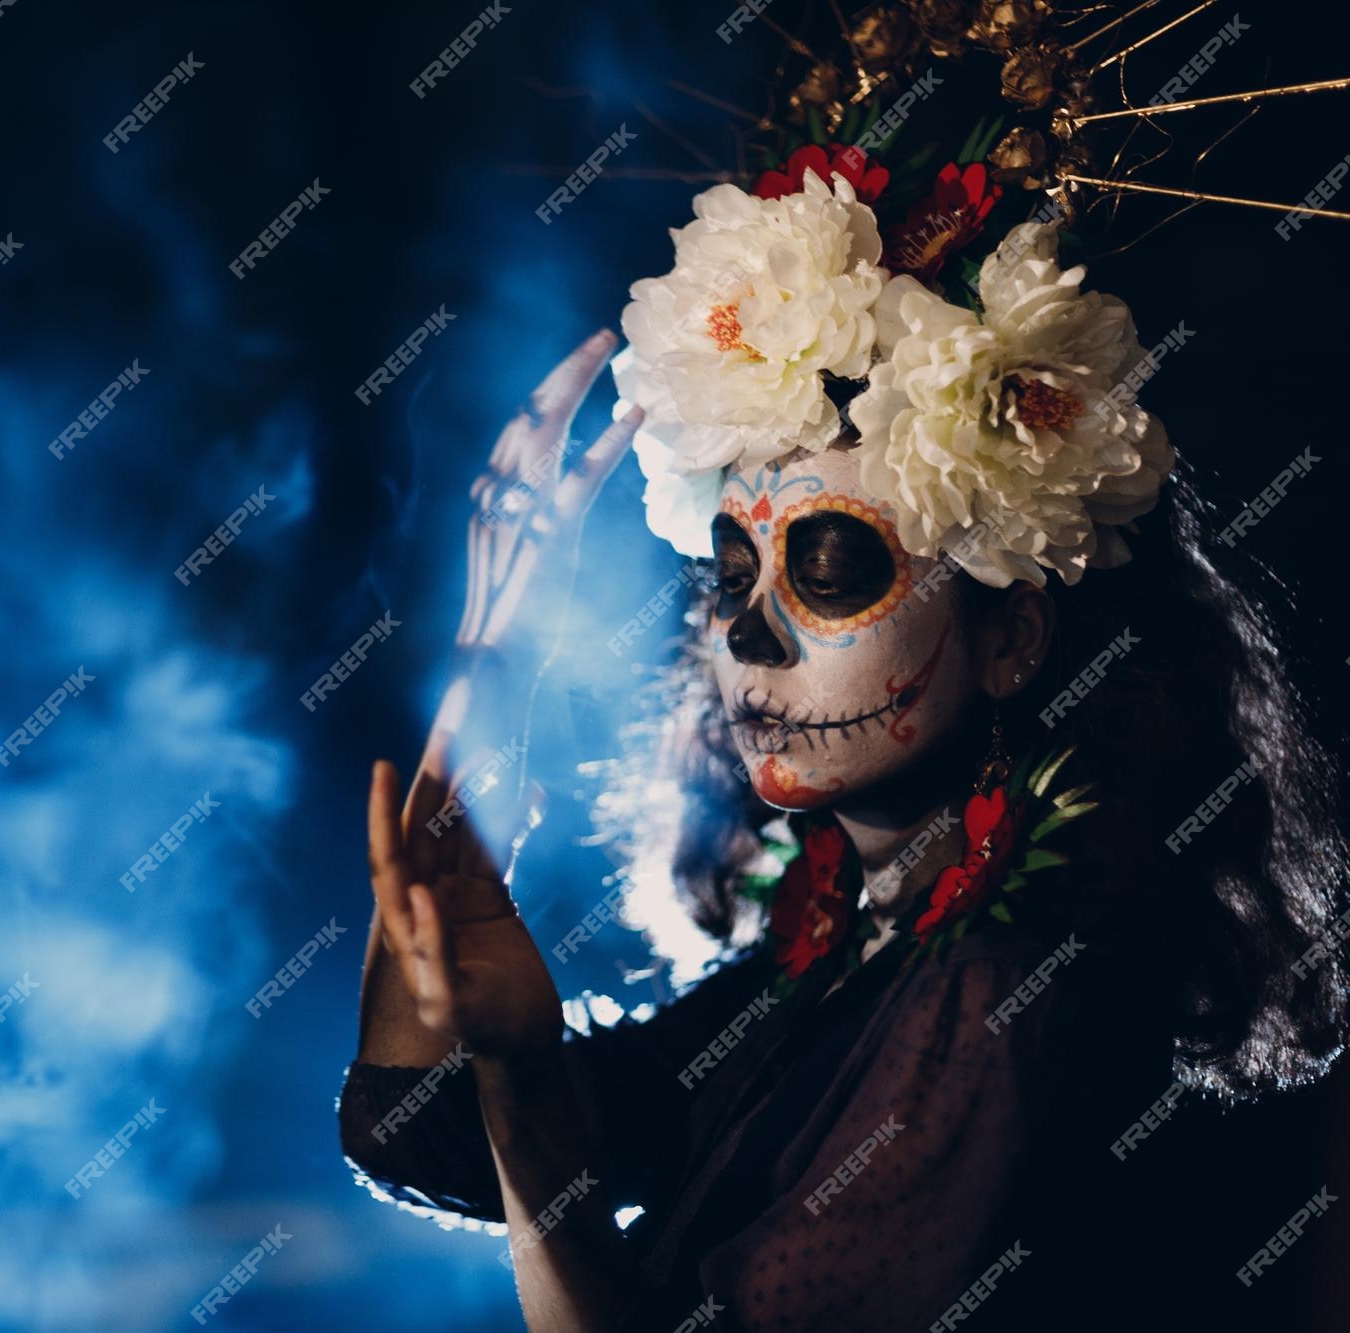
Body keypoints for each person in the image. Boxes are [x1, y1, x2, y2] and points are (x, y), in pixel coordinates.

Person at [335, 22, 1350, 1317]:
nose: (746, 632)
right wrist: (484, 684)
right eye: (732, 568)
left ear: (1013, 632)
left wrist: (528, 1093)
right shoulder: (847, 949)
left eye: (831, 565)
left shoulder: (992, 990)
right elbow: (415, 1134)